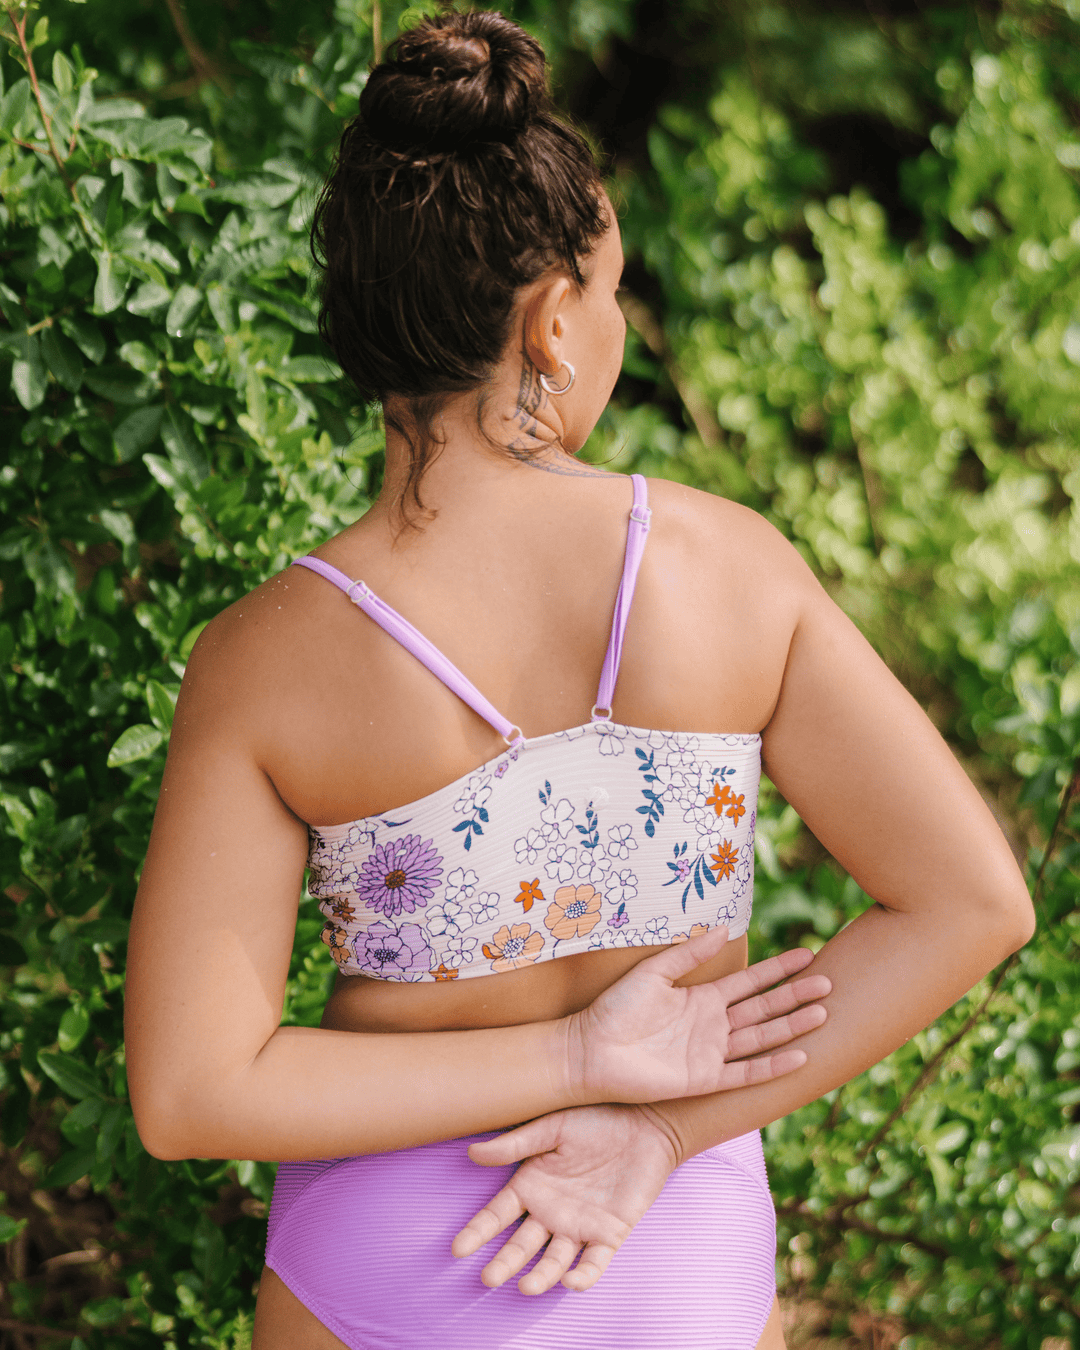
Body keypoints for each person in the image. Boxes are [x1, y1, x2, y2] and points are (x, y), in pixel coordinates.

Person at [123, 10, 1036, 1349]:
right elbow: (972, 902)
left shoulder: (265, 659)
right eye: (609, 292)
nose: (612, 322)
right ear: (553, 322)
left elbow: (191, 1091)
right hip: (676, 1260)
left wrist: (570, 1057)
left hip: (384, 1265)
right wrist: (655, 1120)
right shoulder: (736, 570)